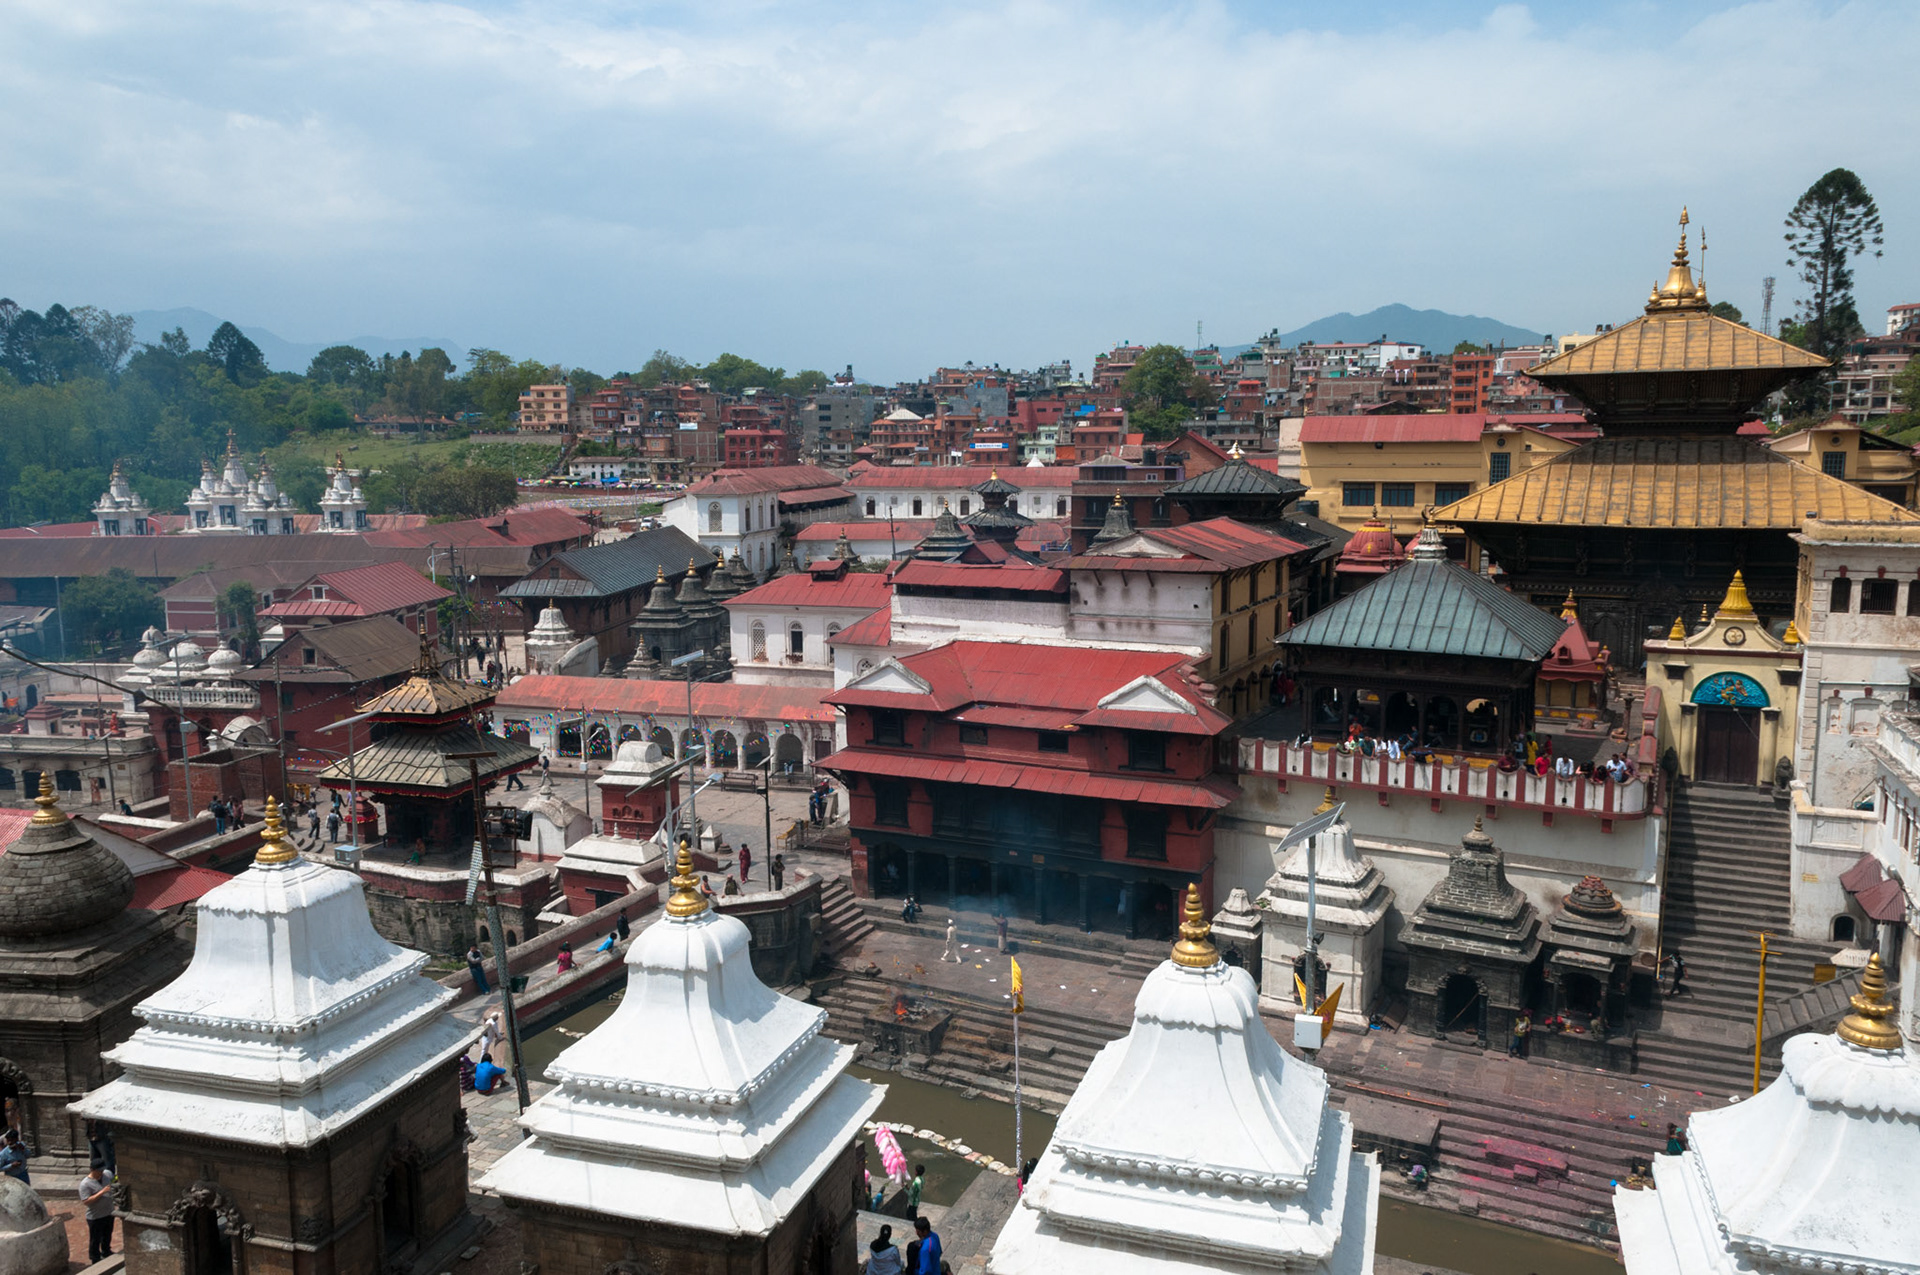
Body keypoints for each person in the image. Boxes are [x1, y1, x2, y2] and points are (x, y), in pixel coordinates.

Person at [80, 1160, 115, 1262]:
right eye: (99, 1171)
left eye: (102, 1170)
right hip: (95, 1216)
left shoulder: (107, 1174)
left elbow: (114, 1180)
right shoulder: (85, 1184)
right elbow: (86, 1201)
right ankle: (95, 1257)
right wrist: (102, 1192)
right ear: (92, 1170)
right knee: (95, 1239)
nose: (101, 1173)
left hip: (109, 1212)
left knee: (107, 1235)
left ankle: (106, 1251)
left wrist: (116, 1181)